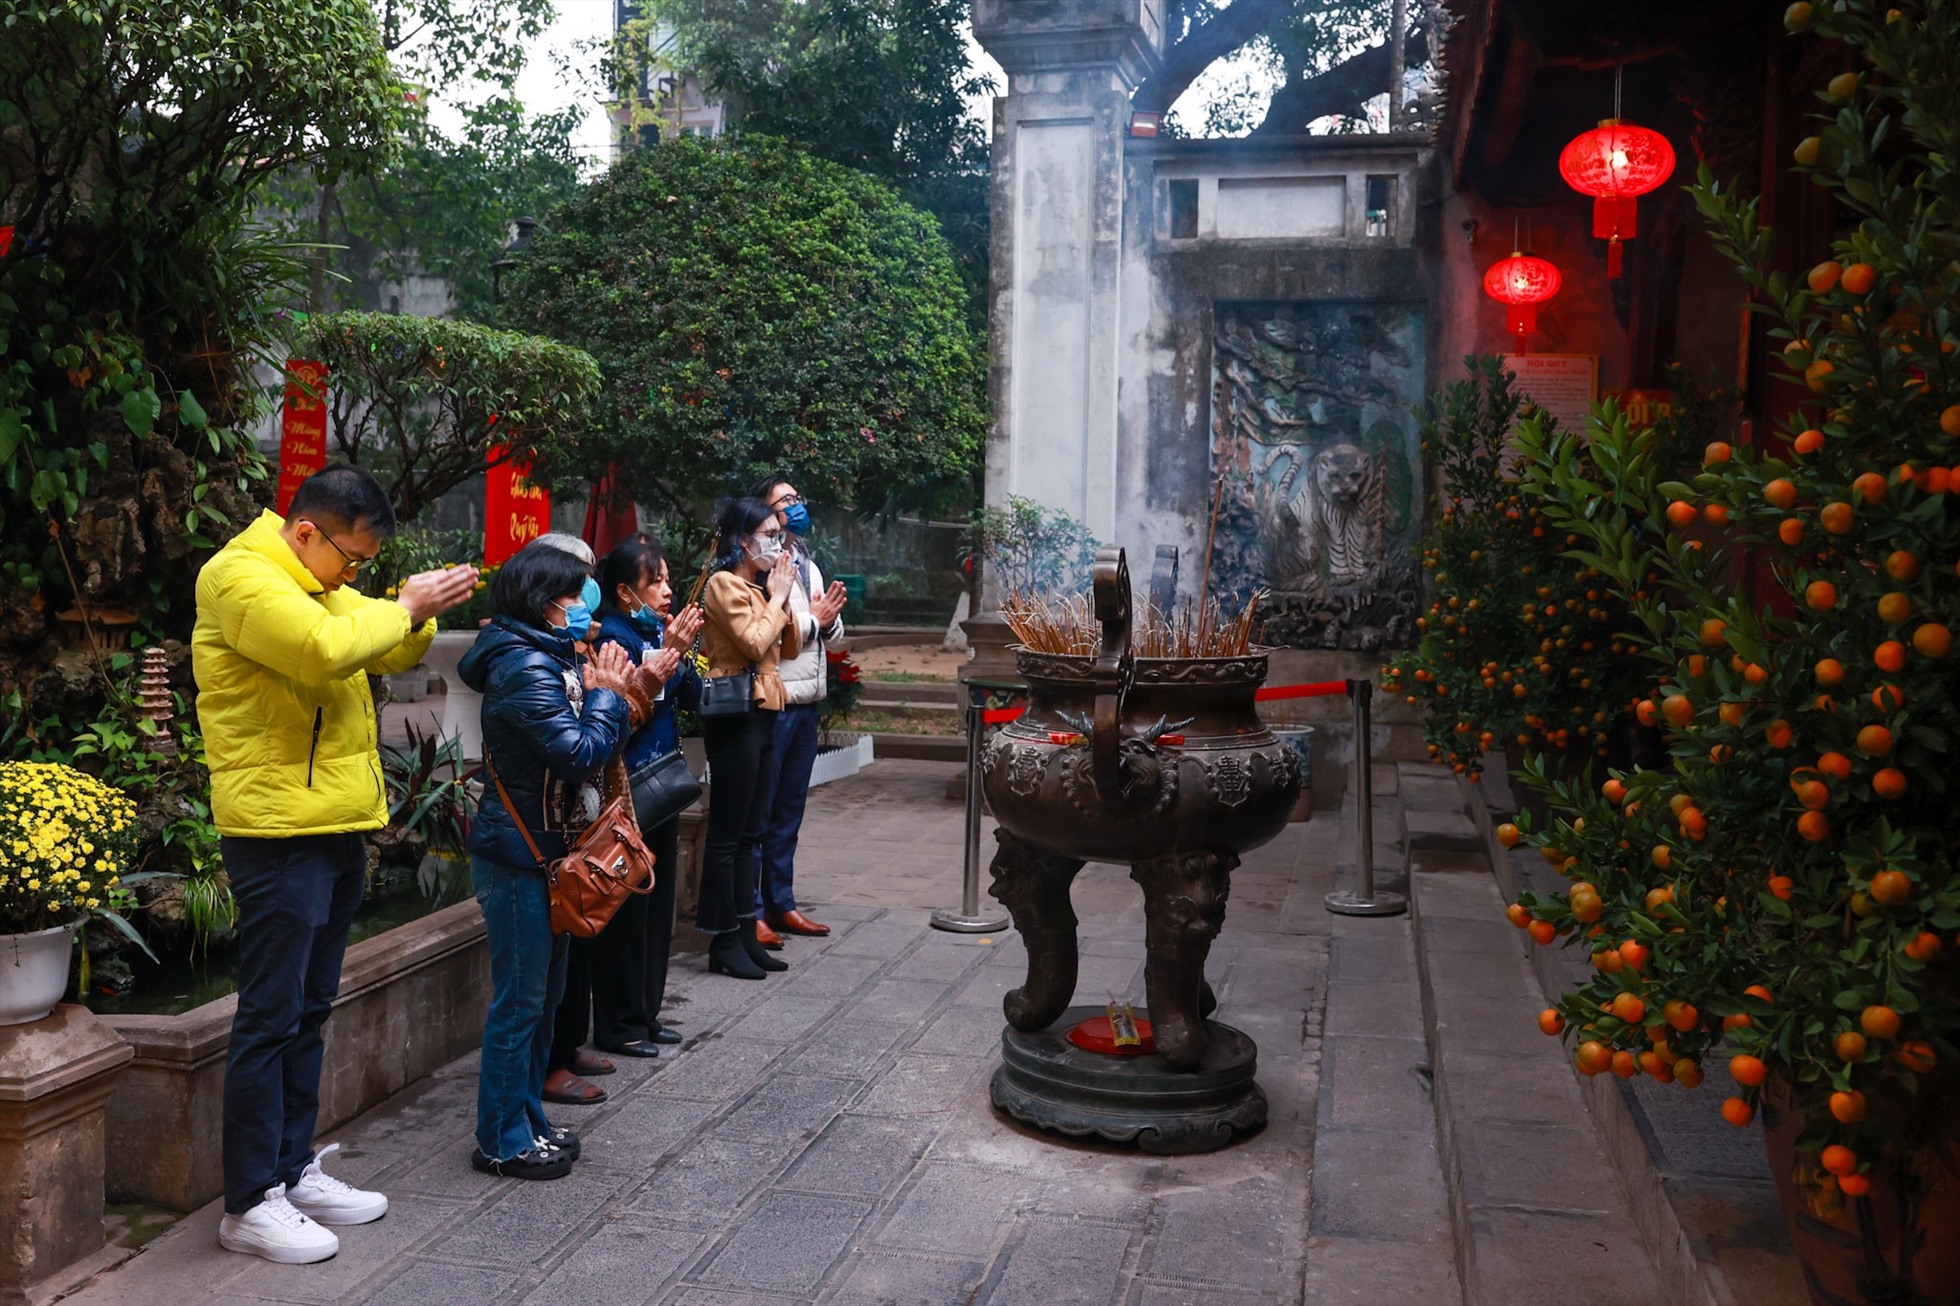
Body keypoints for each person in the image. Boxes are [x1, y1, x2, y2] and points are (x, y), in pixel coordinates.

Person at [194, 465, 476, 1263]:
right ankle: (249, 1203)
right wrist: (401, 606)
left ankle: (291, 1171)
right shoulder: (242, 578)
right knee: (269, 1017)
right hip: (276, 831)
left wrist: (417, 610)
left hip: (334, 822)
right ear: (307, 531)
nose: (354, 575)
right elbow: (323, 651)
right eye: (351, 558)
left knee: (310, 1009)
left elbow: (381, 649)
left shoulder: (318, 580)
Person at [457, 539, 637, 1181]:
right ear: (543, 601)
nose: (585, 602)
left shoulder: (550, 654)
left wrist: (611, 694)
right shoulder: (523, 667)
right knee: (520, 1003)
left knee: (544, 998)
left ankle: (526, 1118)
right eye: (575, 592)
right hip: (519, 856)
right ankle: (501, 1141)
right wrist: (607, 696)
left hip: (547, 852)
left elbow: (599, 743)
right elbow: (580, 754)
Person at [582, 536, 704, 1047]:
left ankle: (646, 1012)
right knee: (628, 912)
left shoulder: (654, 629)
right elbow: (632, 712)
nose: (667, 590)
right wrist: (670, 652)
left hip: (661, 784)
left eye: (668, 579)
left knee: (656, 909)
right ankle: (620, 1022)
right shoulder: (614, 639)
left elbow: (694, 697)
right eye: (655, 581)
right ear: (624, 591)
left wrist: (680, 650)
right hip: (628, 789)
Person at [697, 497, 802, 979]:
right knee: (726, 835)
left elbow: (790, 646)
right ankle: (722, 940)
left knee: (752, 833)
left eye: (779, 535)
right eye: (769, 535)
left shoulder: (761, 587)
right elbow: (755, 643)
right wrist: (776, 599)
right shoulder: (724, 584)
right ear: (743, 540)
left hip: (764, 707)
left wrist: (784, 593)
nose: (777, 543)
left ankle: (744, 933)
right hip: (734, 711)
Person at [747, 475, 848, 944]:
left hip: (807, 701)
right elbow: (768, 632)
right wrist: (815, 621)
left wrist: (827, 621)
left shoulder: (807, 561)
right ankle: (752, 910)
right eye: (784, 500)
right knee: (760, 811)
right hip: (775, 699)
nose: (796, 505)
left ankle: (782, 903)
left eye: (796, 497)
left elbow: (831, 631)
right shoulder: (762, 566)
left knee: (789, 812)